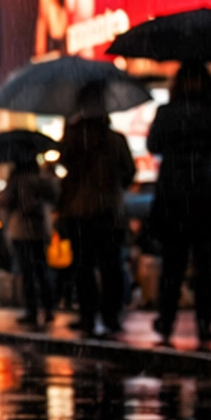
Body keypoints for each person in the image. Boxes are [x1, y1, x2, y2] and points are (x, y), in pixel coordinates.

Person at [148, 59, 211, 347]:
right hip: (208, 194)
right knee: (206, 265)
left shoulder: (168, 112)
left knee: (173, 264)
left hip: (175, 195)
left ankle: (167, 319)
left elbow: (153, 145)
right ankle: (204, 323)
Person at [57, 85, 136, 336]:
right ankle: (111, 316)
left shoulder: (74, 139)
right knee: (111, 265)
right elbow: (129, 172)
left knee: (83, 267)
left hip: (79, 211)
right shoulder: (116, 140)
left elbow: (63, 164)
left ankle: (87, 316)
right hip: (110, 211)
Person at [1, 155, 58, 326]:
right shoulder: (42, 180)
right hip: (40, 230)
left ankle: (32, 311)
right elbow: (54, 197)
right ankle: (48, 309)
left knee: (27, 274)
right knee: (42, 271)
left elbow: (5, 201)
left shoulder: (17, 180)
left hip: (21, 231)